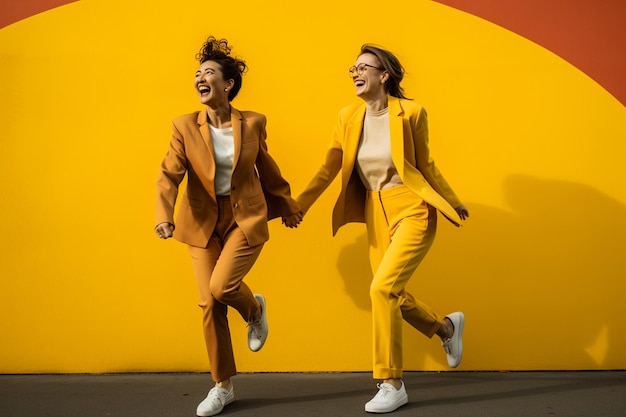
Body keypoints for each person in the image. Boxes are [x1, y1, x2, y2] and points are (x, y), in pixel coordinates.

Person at [290, 44, 469, 413]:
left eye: (363, 68)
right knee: (391, 293)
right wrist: (300, 205)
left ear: (383, 74)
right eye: (352, 69)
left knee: (382, 288)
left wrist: (451, 201)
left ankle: (391, 382)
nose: (355, 73)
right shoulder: (347, 117)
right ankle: (446, 329)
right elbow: (329, 168)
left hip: (412, 206)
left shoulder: (411, 113)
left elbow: (427, 165)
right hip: (374, 210)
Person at [155, 36, 302, 417]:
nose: (200, 79)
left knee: (222, 287)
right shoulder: (184, 126)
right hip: (203, 222)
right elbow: (168, 175)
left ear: (228, 84)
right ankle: (222, 386)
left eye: (208, 73)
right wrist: (163, 215)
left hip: (244, 216)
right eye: (197, 74)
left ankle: (253, 311)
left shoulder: (252, 122)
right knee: (209, 303)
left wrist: (286, 205)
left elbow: (266, 166)